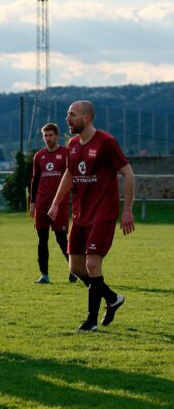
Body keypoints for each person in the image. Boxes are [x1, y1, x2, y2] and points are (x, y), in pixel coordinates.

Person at [48, 100, 135, 332]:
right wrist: (56, 203)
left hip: (103, 213)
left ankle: (91, 321)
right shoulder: (73, 143)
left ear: (86, 118)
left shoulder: (106, 142)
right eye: (67, 114)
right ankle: (112, 297)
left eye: (72, 115)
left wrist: (127, 210)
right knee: (75, 267)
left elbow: (128, 173)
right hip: (80, 214)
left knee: (92, 263)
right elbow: (69, 173)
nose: (67, 119)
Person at [29, 123, 74, 284]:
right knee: (42, 240)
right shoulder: (39, 156)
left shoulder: (66, 154)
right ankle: (44, 275)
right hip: (42, 203)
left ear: (57, 136)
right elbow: (35, 181)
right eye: (45, 136)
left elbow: (72, 178)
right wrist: (32, 203)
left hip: (59, 203)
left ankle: (74, 271)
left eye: (50, 135)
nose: (48, 138)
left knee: (62, 239)